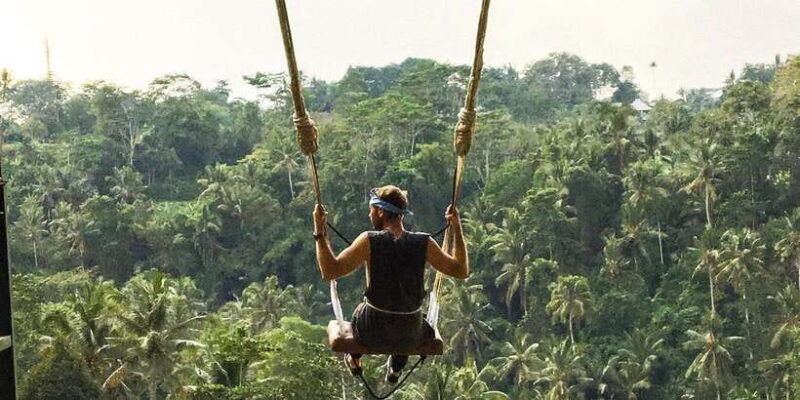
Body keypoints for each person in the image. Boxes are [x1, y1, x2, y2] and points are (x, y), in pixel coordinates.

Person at [313, 185, 469, 383]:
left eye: (371, 210)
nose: (370, 215)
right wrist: (457, 227)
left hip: (373, 331)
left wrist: (319, 232)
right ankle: (396, 368)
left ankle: (354, 356)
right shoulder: (424, 242)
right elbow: (461, 270)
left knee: (353, 316)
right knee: (407, 318)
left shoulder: (369, 240)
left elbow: (330, 271)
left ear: (380, 211)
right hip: (411, 333)